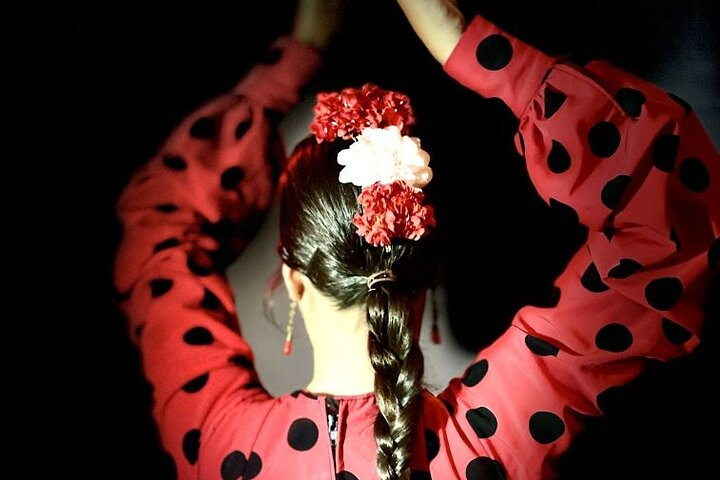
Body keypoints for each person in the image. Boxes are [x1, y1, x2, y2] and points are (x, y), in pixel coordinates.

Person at [113, 0, 718, 479]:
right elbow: (667, 212)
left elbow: (155, 221)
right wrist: (464, 41)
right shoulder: (493, 436)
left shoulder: (217, 444)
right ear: (427, 269)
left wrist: (297, 54)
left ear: (295, 282)